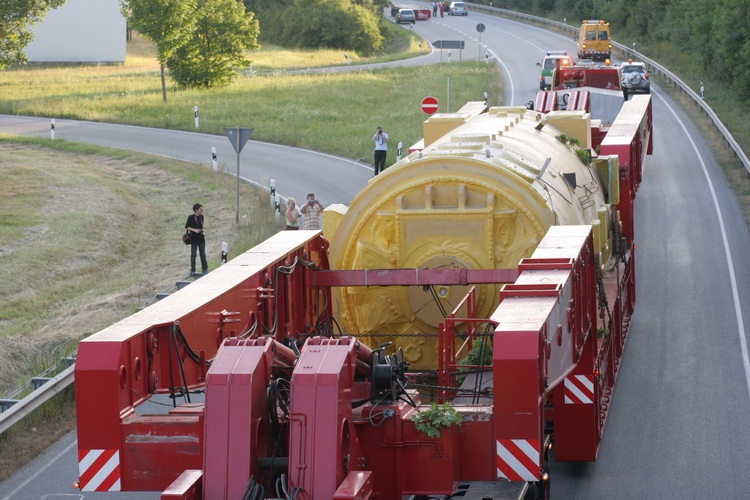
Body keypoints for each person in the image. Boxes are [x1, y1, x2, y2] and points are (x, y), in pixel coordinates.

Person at [185, 203, 208, 275]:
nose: (202, 210)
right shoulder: (191, 217)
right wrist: (195, 230)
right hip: (194, 238)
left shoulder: (201, 217)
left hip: (201, 238)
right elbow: (187, 226)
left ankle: (205, 269)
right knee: (193, 255)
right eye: (200, 209)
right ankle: (192, 270)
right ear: (196, 210)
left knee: (203, 254)